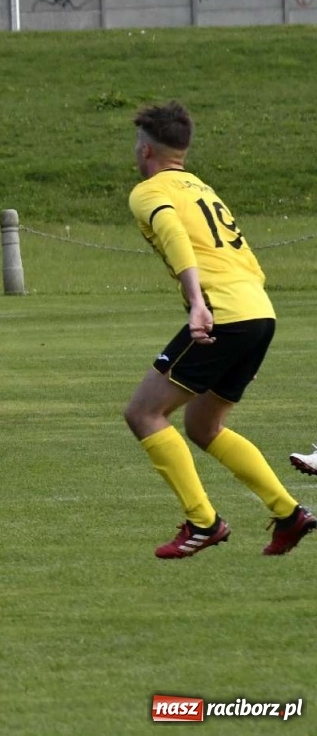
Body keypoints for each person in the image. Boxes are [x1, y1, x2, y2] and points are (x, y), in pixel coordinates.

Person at [122, 100, 313, 559]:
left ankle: (203, 522)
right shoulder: (202, 188)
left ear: (147, 151)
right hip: (257, 311)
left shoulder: (148, 192)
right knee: (204, 425)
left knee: (144, 413)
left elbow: (172, 232)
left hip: (222, 313)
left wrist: (196, 302)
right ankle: (289, 514)